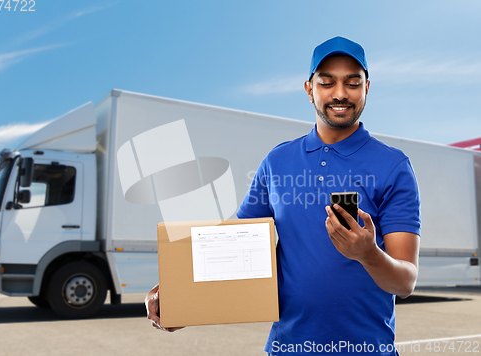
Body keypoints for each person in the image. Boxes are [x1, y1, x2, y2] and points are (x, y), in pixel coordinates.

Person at [146, 36, 420, 356]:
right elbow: (235, 247)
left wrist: (368, 253)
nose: (340, 93)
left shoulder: (392, 166)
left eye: (352, 82)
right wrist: (183, 296)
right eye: (327, 82)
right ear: (309, 89)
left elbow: (405, 283)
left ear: (367, 88)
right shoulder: (278, 162)